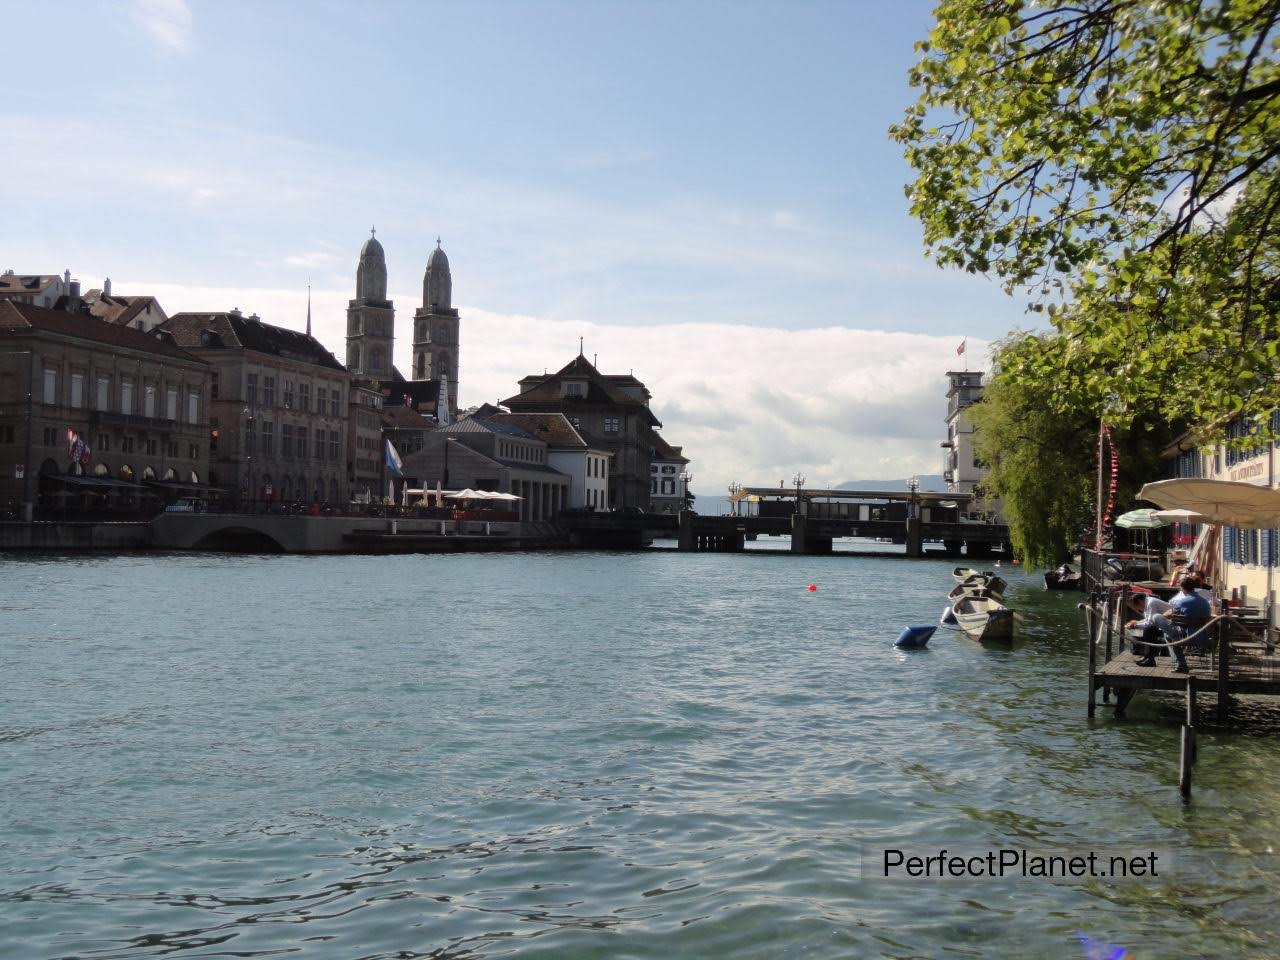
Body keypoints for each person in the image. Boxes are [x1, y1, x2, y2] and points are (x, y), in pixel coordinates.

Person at [1126, 576, 1211, 672]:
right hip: (1203, 637)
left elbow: (1168, 615)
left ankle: (1180, 664)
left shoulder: (1181, 602)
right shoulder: (1205, 602)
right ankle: (1178, 664)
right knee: (1167, 635)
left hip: (1185, 636)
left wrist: (1161, 616)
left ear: (1182, 588)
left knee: (1156, 618)